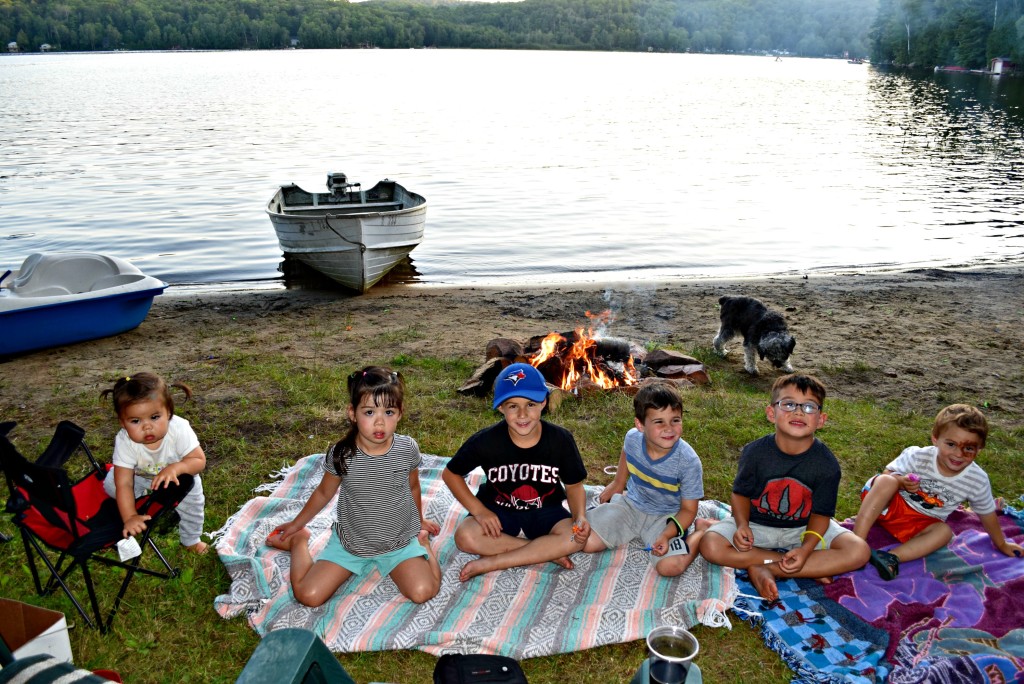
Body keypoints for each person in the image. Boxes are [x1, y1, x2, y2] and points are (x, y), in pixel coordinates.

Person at [265, 367, 441, 606]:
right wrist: (297, 526)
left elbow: (413, 487)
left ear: (400, 413)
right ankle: (300, 543)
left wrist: (419, 521)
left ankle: (422, 544)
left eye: (389, 412)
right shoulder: (343, 454)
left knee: (424, 591)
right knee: (308, 595)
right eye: (369, 412)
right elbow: (324, 492)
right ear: (352, 413)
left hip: (399, 542)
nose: (380, 422)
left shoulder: (406, 448)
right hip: (352, 543)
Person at [698, 374, 870, 601]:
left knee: (859, 551)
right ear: (771, 413)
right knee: (710, 546)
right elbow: (740, 495)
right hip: (756, 526)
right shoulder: (755, 453)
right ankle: (793, 564)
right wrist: (741, 525)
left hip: (804, 530)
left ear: (821, 420)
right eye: (788, 404)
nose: (798, 412)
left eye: (809, 407)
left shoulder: (827, 465)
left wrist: (807, 548)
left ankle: (766, 567)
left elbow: (821, 515)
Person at [443, 362, 590, 582]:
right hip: (498, 509)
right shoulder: (486, 441)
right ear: (501, 407)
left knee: (577, 539)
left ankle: (493, 561)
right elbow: (450, 474)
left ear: (543, 402)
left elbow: (574, 485)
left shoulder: (561, 440)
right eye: (513, 406)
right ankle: (543, 552)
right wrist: (480, 511)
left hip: (546, 509)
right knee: (464, 537)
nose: (522, 414)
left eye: (530, 404)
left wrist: (580, 517)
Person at [852, 403, 1024, 580]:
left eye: (969, 448)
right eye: (951, 444)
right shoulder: (918, 456)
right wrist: (900, 481)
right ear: (935, 439)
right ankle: (856, 544)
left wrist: (1002, 543)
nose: (958, 454)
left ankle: (891, 557)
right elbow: (886, 476)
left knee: (944, 532)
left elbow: (987, 513)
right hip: (889, 505)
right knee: (886, 480)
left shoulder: (976, 479)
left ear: (979, 449)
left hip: (918, 524)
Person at [582, 379, 710, 576]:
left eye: (675, 420)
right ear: (640, 425)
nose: (669, 428)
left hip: (666, 517)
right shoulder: (633, 437)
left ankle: (701, 532)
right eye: (659, 422)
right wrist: (618, 482)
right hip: (631, 505)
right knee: (586, 542)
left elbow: (688, 510)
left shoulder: (688, 462)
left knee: (670, 567)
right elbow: (627, 451)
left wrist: (667, 535)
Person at [101, 372, 208, 554]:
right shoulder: (125, 441)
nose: (147, 426)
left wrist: (177, 467)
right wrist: (130, 517)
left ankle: (190, 539)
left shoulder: (179, 429)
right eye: (135, 421)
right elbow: (125, 482)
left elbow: (199, 461)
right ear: (122, 423)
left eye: (155, 417)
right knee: (112, 485)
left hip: (178, 477)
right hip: (141, 475)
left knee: (192, 501)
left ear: (168, 412)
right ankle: (143, 499)